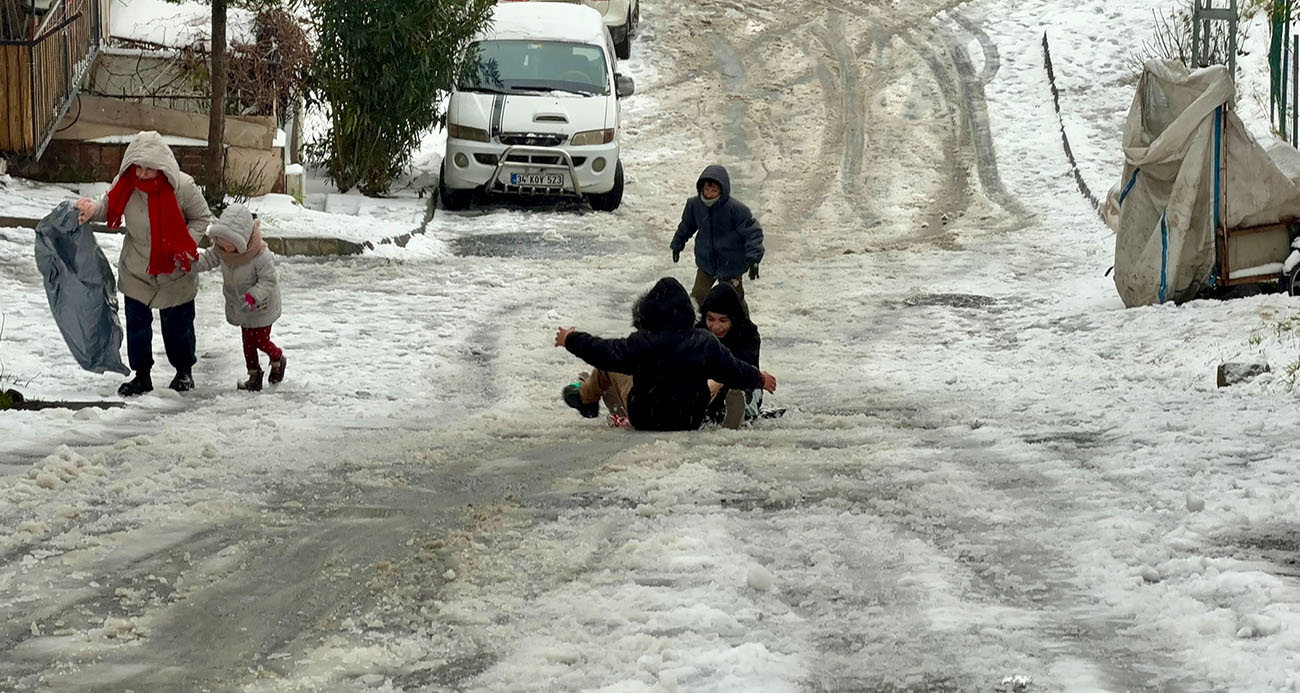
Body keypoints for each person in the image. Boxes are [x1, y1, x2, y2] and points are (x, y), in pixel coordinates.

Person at [75, 131, 211, 396]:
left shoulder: (182, 186)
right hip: (137, 267)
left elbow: (202, 217)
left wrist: (184, 245)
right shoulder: (125, 184)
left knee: (178, 328)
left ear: (162, 165)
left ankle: (184, 371)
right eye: (138, 167)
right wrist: (92, 210)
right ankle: (142, 375)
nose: (142, 174)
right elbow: (108, 205)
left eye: (149, 169)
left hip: (175, 270)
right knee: (137, 326)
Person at [554, 277, 776, 432]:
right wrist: (760, 379)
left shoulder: (640, 343)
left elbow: (601, 351)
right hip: (688, 418)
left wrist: (570, 339)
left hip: (645, 417)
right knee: (712, 381)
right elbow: (734, 370)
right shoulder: (703, 341)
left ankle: (585, 399)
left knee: (608, 365)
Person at [192, 203, 285, 392]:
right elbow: (208, 260)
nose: (225, 246)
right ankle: (254, 375)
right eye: (221, 239)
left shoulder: (260, 255)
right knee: (247, 342)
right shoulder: (221, 250)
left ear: (242, 239)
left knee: (260, 340)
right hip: (241, 305)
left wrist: (253, 296)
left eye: (230, 242)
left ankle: (277, 358)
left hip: (262, 305)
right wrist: (190, 264)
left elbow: (269, 281)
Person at [670, 164, 765, 309]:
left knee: (734, 301)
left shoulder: (735, 209)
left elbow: (753, 232)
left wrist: (754, 258)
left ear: (723, 190)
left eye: (714, 190)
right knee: (698, 297)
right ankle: (694, 326)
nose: (709, 193)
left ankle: (743, 327)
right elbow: (686, 226)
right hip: (706, 263)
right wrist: (677, 244)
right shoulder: (695, 205)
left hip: (731, 264)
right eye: (706, 189)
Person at [697, 283, 762, 429]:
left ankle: (739, 412)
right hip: (706, 388)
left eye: (723, 320)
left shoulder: (748, 334)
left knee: (739, 393)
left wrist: (719, 381)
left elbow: (745, 367)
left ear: (733, 318)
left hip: (744, 386)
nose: (715, 326)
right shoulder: (699, 333)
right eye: (710, 319)